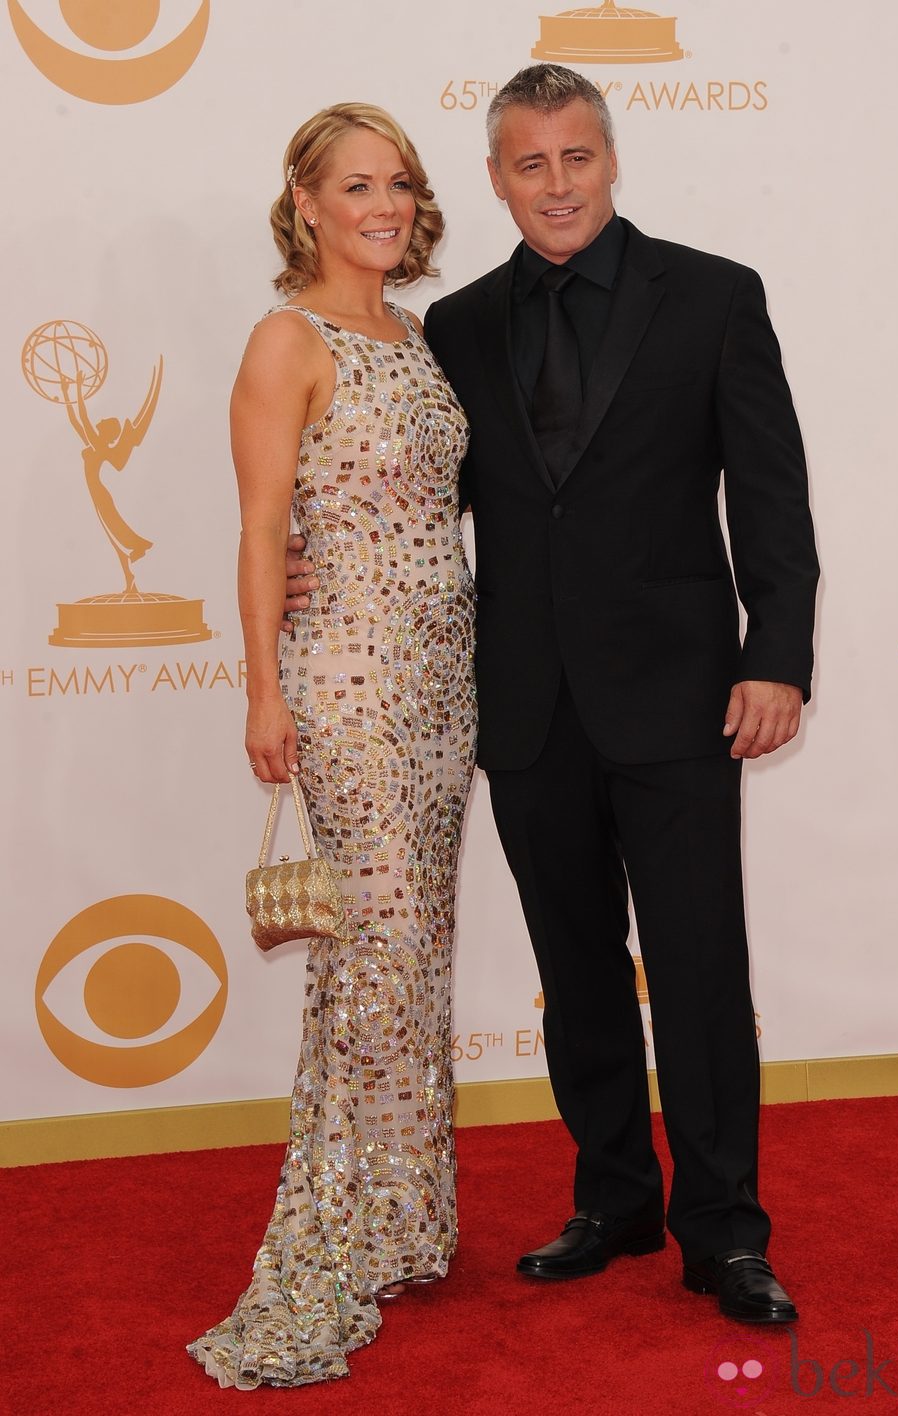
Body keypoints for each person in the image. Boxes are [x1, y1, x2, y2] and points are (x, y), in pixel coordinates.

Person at [286, 65, 820, 1325]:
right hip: (522, 703)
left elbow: (772, 491)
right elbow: (415, 492)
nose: (556, 183)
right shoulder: (456, 327)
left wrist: (776, 654)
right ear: (493, 180)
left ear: (610, 158)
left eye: (575, 156)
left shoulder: (711, 294)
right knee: (576, 971)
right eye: (528, 164)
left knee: (695, 969)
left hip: (684, 696)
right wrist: (319, 551)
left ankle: (723, 1231)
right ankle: (615, 1198)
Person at [189, 104, 476, 1389]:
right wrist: (264, 691)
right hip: (347, 683)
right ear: (303, 201)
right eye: (355, 184)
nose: (383, 204)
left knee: (416, 948)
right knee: (369, 951)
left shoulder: (413, 337)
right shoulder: (284, 339)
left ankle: (402, 1217)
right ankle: (335, 1231)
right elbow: (260, 531)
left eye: (399, 184)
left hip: (440, 681)